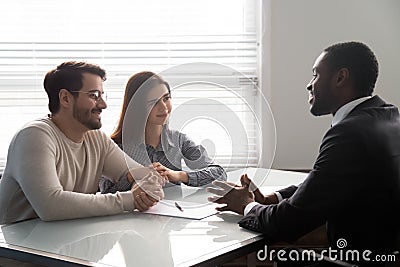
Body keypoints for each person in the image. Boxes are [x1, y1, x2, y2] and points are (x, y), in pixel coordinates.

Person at [207, 41, 400, 264]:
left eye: (316, 75)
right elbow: (328, 181)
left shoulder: (348, 133)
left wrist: (246, 205)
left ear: (340, 78)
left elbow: (287, 224)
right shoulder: (388, 117)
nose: (309, 85)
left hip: (359, 259)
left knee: (276, 255)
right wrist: (273, 198)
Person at [0, 61, 165, 224]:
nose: (103, 104)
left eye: (102, 95)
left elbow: (143, 174)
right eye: (94, 95)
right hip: (14, 245)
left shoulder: (96, 138)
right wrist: (129, 199)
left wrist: (145, 185)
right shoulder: (34, 136)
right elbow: (51, 206)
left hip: (64, 238)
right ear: (65, 98)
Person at [99, 71, 227, 194]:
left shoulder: (179, 140)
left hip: (175, 214)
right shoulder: (115, 146)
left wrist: (178, 175)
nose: (164, 107)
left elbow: (219, 174)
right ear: (136, 107)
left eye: (166, 98)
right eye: (154, 102)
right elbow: (105, 191)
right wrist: (132, 177)